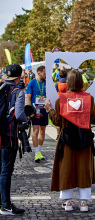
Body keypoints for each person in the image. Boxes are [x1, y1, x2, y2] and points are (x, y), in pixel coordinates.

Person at [45, 69, 95, 212]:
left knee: (66, 168)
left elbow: (57, 121)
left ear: (69, 82)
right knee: (83, 169)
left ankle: (67, 202)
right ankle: (83, 202)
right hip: (84, 139)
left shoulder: (61, 99)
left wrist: (49, 109)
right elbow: (94, 119)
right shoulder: (88, 99)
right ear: (81, 82)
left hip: (66, 139)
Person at [0, 64, 28, 215]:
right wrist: (28, 116)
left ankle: (2, 202)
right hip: (9, 135)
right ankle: (6, 205)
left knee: (0, 169)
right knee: (6, 170)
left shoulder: (0, 86)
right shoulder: (18, 92)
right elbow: (19, 115)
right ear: (19, 77)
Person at [26, 65, 48, 162]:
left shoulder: (47, 83)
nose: (46, 75)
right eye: (44, 73)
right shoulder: (32, 82)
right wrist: (30, 111)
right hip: (35, 110)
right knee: (35, 131)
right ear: (39, 73)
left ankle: (39, 151)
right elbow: (28, 97)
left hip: (44, 109)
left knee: (43, 130)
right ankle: (36, 153)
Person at [55, 69, 67, 140]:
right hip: (67, 102)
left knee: (58, 118)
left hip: (59, 101)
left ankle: (58, 134)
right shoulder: (68, 83)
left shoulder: (57, 84)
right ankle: (64, 133)